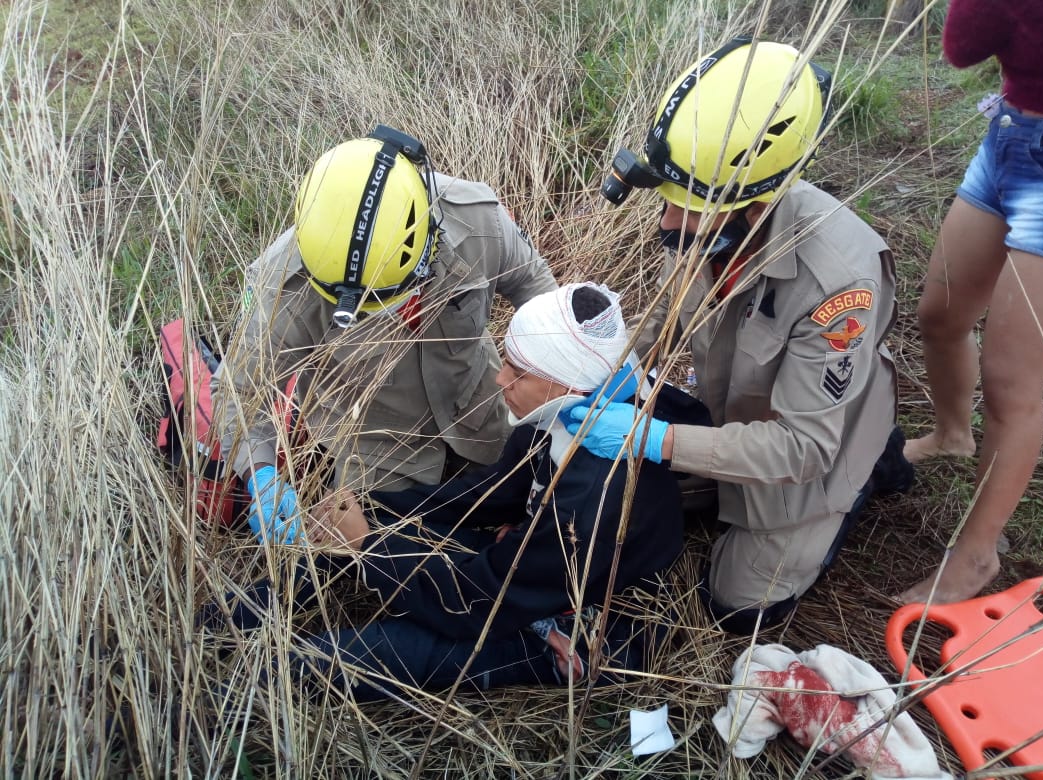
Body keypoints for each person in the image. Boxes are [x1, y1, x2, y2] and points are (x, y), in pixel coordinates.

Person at [201, 283, 684, 701]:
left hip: (577, 622)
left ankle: (247, 684)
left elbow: (476, 600)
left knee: (368, 655)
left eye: (518, 373)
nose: (499, 380)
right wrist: (371, 511)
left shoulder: (596, 493)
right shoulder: (570, 412)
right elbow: (487, 494)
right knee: (354, 524)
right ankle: (218, 626)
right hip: (527, 565)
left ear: (566, 385)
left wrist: (370, 547)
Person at [568, 38, 906, 634]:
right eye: (667, 201)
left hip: (817, 443)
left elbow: (803, 448)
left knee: (736, 607)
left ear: (758, 204)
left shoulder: (836, 282)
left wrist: (658, 439)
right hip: (738, 416)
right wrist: (614, 367)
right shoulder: (708, 216)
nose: (670, 223)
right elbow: (671, 313)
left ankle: (869, 473)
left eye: (688, 208)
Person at [211, 125, 557, 545]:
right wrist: (262, 479)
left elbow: (535, 285)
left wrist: (549, 375)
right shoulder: (282, 284)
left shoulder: (474, 216)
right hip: (376, 447)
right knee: (388, 557)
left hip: (481, 408)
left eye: (391, 292)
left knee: (545, 508)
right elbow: (238, 395)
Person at [898, 1, 1043, 604]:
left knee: (1012, 380)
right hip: (1011, 137)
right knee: (939, 317)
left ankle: (976, 554)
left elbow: (967, 40)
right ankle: (952, 434)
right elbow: (963, 46)